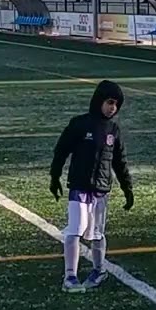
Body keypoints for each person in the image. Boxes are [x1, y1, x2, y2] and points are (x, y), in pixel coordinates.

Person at [49, 80, 133, 293]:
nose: (113, 108)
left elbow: (119, 162)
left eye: (117, 104)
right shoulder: (80, 124)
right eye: (110, 102)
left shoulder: (113, 131)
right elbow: (61, 151)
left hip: (101, 191)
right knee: (75, 229)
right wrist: (55, 176)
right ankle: (70, 276)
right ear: (99, 100)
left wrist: (127, 189)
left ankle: (99, 270)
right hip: (78, 187)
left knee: (97, 233)